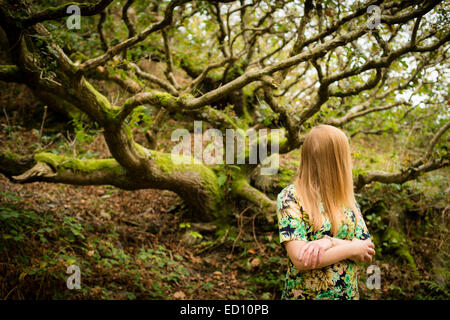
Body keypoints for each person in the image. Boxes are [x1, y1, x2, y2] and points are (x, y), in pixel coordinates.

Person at [276, 124, 375, 300]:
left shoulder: (346, 198)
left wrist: (329, 242)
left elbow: (366, 250)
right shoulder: (290, 197)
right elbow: (301, 259)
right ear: (335, 160)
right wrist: (351, 247)